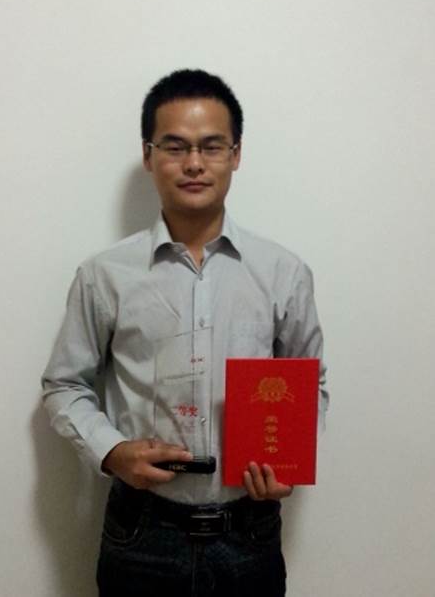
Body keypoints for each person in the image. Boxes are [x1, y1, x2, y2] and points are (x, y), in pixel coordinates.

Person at [42, 69, 328, 597]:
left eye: (211, 146)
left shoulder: (283, 272)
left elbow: (310, 385)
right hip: (142, 533)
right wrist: (112, 451)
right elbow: (64, 385)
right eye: (175, 146)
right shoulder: (105, 275)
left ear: (235, 155)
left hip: (249, 533)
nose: (194, 163)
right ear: (148, 155)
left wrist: (290, 459)